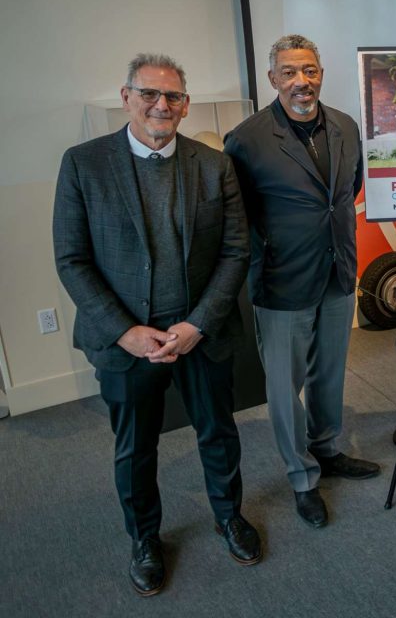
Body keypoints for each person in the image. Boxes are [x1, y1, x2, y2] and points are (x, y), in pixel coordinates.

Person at [53, 53, 259, 597]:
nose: (160, 105)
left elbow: (236, 252)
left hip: (199, 334)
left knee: (218, 434)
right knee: (135, 448)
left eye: (172, 96)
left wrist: (197, 324)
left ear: (185, 105)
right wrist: (125, 332)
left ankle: (229, 516)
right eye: (149, 94)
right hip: (128, 341)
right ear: (126, 98)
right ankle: (145, 538)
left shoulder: (213, 165)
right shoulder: (83, 164)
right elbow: (72, 259)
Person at [224, 35, 381, 530]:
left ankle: (327, 448)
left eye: (309, 70)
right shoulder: (246, 140)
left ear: (321, 74)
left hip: (338, 272)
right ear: (273, 79)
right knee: (284, 387)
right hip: (281, 281)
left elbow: (348, 190)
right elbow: (236, 217)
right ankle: (301, 477)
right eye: (289, 72)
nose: (301, 81)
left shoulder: (346, 126)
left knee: (329, 373)